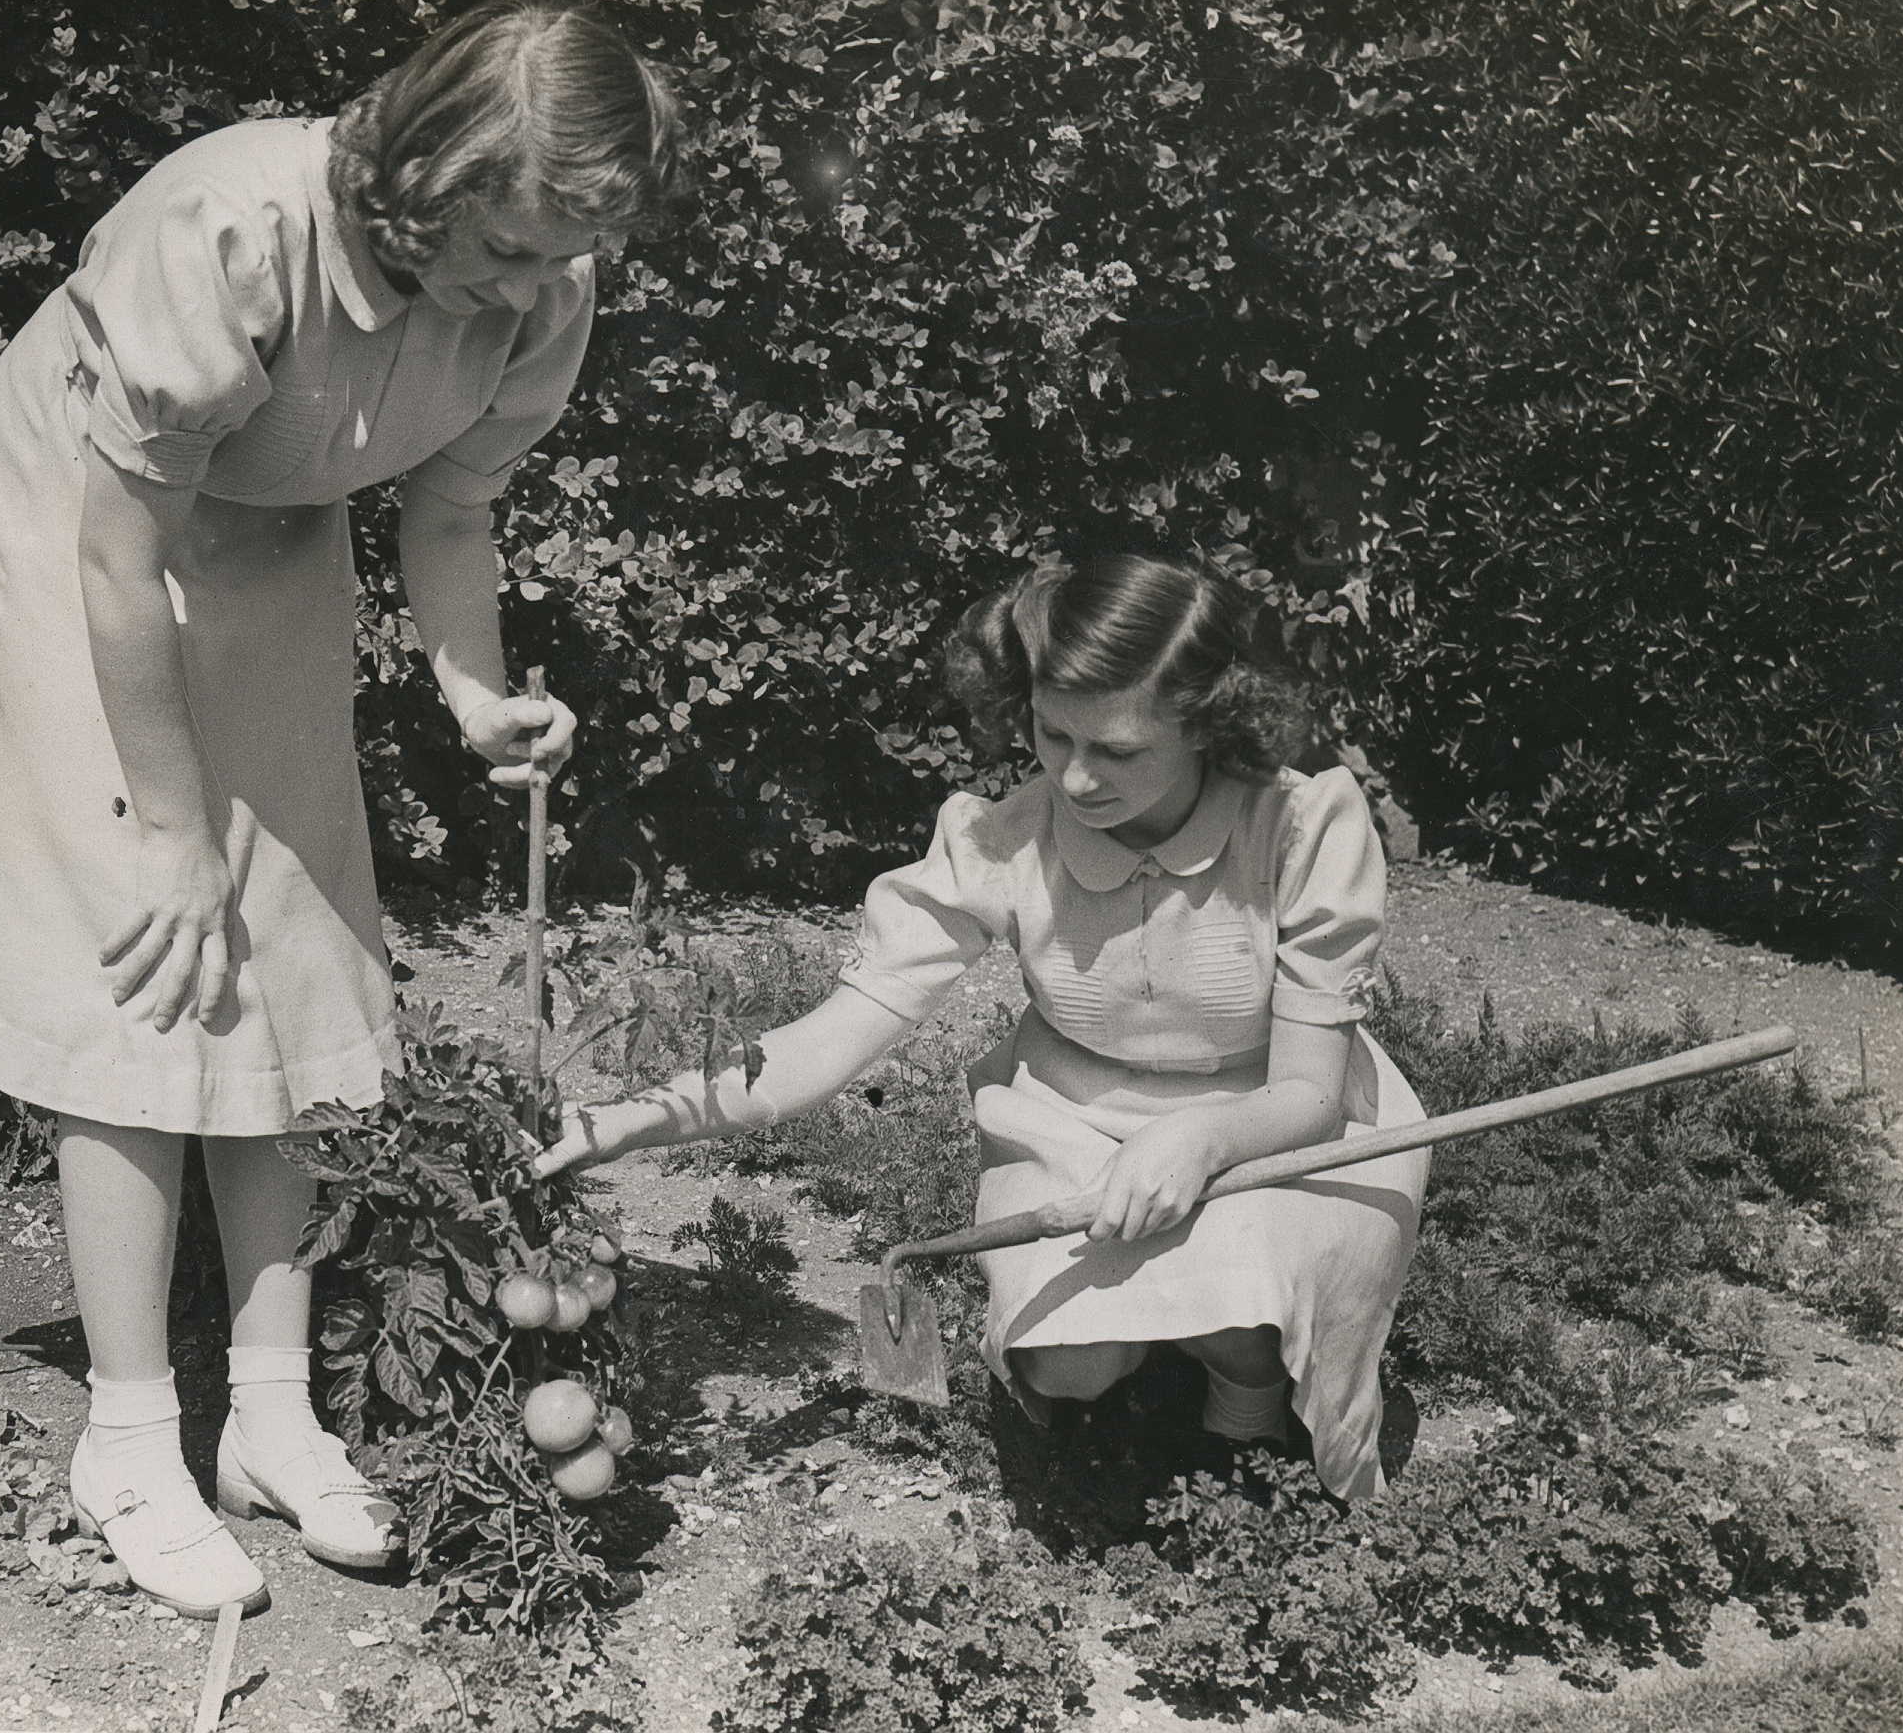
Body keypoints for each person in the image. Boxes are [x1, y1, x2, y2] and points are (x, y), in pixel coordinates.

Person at [0, 2, 685, 1617]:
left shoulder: (537, 281)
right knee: (156, 955)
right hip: (86, 529)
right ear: (422, 170)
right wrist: (161, 823)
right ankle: (131, 1433)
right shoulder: (225, 225)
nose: (526, 287)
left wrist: (471, 684)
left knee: (290, 943)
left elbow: (449, 507)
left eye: (556, 253)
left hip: (264, 528)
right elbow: (113, 545)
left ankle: (269, 1416)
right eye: (501, 245)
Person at [537, 554, 1428, 1502]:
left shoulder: (1298, 828)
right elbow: (824, 1043)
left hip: (1275, 1115)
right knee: (1068, 1363)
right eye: (1052, 735)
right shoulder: (1003, 843)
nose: (1077, 779)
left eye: (1119, 751)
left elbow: (1307, 1091)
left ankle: (1241, 1402)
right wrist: (621, 1123)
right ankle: (1137, 1365)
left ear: (1208, 723)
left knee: (1252, 1315)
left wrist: (1203, 1139)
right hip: (1078, 1110)